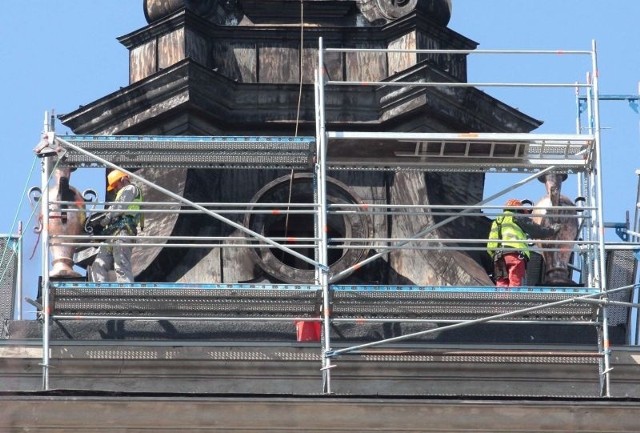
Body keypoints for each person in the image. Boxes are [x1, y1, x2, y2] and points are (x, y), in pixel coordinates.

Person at [487, 198, 558, 287]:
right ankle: (513, 300)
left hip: (498, 257)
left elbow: (491, 244)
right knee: (515, 281)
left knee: (501, 283)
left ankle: (501, 300)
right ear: (518, 209)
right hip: (514, 254)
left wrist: (494, 256)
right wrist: (552, 230)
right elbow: (535, 230)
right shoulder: (516, 216)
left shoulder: (497, 221)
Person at [91, 169, 143, 283]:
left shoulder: (131, 189)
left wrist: (103, 222)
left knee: (121, 265)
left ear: (123, 179)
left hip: (124, 231)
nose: (115, 189)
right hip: (113, 234)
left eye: (115, 185)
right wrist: (99, 225)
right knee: (98, 266)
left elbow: (119, 208)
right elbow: (112, 211)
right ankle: (100, 293)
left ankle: (126, 293)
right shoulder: (119, 196)